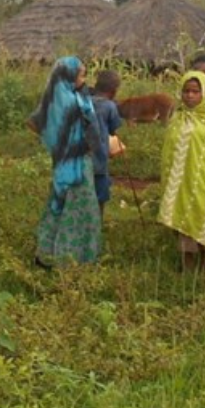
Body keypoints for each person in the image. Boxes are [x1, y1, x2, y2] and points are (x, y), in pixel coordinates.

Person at [27, 56, 101, 267]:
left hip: (61, 163)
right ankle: (72, 257)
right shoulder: (75, 102)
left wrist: (58, 147)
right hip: (78, 164)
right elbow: (91, 128)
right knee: (80, 208)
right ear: (69, 77)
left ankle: (46, 253)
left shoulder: (50, 100)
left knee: (58, 206)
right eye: (82, 75)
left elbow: (34, 123)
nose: (84, 79)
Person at [158, 71, 205, 272]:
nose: (190, 95)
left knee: (204, 219)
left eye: (195, 91)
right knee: (183, 222)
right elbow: (170, 151)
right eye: (186, 91)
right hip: (181, 183)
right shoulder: (177, 117)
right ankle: (187, 267)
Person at [90, 70, 124, 217]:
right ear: (113, 91)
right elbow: (113, 129)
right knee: (100, 194)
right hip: (99, 159)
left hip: (79, 157)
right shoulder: (110, 106)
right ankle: (97, 224)